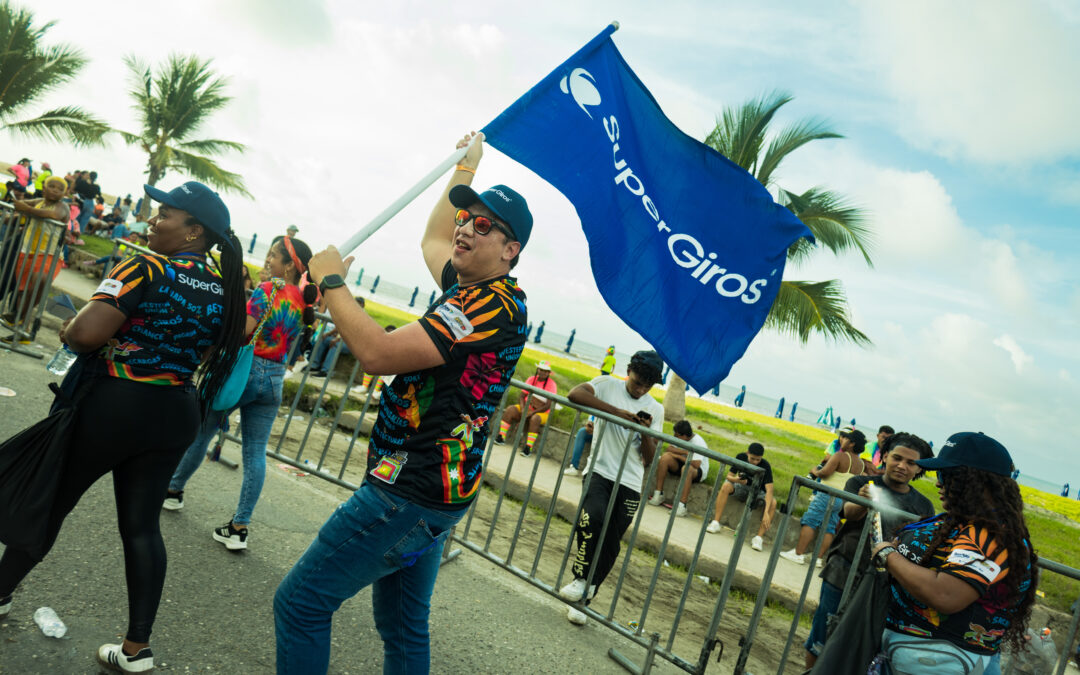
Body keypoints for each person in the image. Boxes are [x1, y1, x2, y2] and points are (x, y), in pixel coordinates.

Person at [273, 131, 531, 673]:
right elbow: (434, 237)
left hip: (406, 492)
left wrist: (332, 282)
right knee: (402, 626)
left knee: (300, 604)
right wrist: (465, 169)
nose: (465, 228)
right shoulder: (471, 291)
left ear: (510, 250)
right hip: (436, 492)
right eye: (467, 218)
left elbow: (377, 353)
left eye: (483, 226)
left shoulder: (487, 306)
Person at [0, 181, 246, 672]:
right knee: (140, 526)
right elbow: (217, 346)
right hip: (176, 409)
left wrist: (72, 329)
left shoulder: (145, 266)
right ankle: (137, 648)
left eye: (166, 215)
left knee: (52, 500)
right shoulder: (227, 291)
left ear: (194, 231)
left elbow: (87, 336)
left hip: (115, 402)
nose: (153, 220)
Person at [163, 235, 315, 551]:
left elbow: (243, 329)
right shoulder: (301, 301)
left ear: (289, 266)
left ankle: (173, 491)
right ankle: (239, 527)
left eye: (274, 256)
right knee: (256, 452)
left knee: (203, 432)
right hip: (274, 380)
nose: (268, 260)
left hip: (241, 372)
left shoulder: (267, 290)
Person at [870, 432, 1036, 673]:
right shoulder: (965, 523)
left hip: (939, 662)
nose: (938, 482)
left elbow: (946, 595)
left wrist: (888, 555)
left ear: (974, 482)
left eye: (944, 475)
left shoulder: (988, 534)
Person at [803, 432, 935, 669]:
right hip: (844, 569)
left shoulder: (923, 506)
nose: (902, 466)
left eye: (911, 462)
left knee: (864, 645)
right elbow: (848, 512)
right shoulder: (860, 483)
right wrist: (865, 502)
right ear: (884, 456)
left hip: (887, 583)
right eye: (897, 458)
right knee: (823, 635)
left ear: (919, 469)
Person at [559, 350, 664, 625]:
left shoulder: (656, 408)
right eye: (637, 381)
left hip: (630, 481)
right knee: (592, 519)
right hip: (600, 470)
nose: (640, 389)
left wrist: (644, 431)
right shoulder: (607, 386)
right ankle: (581, 578)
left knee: (611, 541)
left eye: (647, 386)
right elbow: (575, 395)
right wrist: (617, 413)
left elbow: (650, 458)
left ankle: (585, 599)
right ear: (629, 370)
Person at [782, 429, 873, 566]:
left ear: (852, 443)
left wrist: (814, 471)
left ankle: (798, 554)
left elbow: (825, 473)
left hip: (826, 494)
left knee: (810, 521)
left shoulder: (840, 456)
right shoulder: (861, 464)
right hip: (842, 499)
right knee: (829, 528)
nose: (842, 440)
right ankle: (817, 559)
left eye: (846, 439)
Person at [0, 176, 69, 341]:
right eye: (51, 186)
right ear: (44, 188)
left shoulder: (62, 206)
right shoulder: (40, 201)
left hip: (49, 254)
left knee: (41, 279)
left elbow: (52, 215)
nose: (54, 190)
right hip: (27, 251)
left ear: (64, 193)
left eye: (59, 189)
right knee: (22, 291)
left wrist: (25, 208)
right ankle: (22, 331)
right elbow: (22, 204)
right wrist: (20, 207)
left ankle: (20, 315)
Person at [706, 442, 776, 551]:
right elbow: (729, 476)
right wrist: (738, 480)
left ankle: (758, 538)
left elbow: (769, 490)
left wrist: (766, 512)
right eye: (752, 459)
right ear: (747, 453)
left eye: (758, 460)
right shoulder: (741, 457)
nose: (755, 462)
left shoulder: (765, 465)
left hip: (757, 491)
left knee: (773, 502)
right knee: (725, 486)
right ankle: (715, 523)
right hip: (740, 486)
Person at [647, 419, 711, 517]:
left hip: (696, 470)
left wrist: (677, 456)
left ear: (684, 436)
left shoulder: (698, 442)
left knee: (686, 469)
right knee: (665, 457)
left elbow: (696, 464)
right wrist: (685, 453)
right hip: (683, 463)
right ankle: (658, 493)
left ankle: (682, 506)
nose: (674, 437)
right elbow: (669, 449)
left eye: (676, 435)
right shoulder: (680, 438)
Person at [495, 360, 558, 456]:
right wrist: (524, 409)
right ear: (537, 370)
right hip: (527, 407)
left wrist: (531, 413)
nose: (543, 373)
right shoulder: (531, 379)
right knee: (510, 409)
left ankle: (528, 448)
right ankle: (501, 437)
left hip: (541, 412)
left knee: (535, 419)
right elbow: (521, 396)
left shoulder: (552, 384)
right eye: (541, 370)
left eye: (545, 371)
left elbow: (547, 406)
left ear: (549, 373)